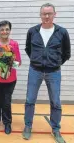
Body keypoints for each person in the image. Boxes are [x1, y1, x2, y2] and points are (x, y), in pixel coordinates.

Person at [22, 3, 71, 143]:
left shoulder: (62, 32)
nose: (47, 16)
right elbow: (28, 49)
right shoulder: (32, 31)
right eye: (44, 13)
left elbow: (67, 53)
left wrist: (55, 63)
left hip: (54, 72)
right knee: (30, 100)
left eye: (50, 13)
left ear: (55, 14)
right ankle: (27, 126)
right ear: (40, 15)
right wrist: (37, 60)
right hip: (35, 70)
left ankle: (55, 129)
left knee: (56, 102)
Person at [0, 20, 21, 134]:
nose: (4, 31)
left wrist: (10, 62)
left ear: (10, 31)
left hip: (10, 79)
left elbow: (18, 62)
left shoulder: (14, 44)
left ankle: (7, 122)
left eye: (7, 29)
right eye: (2, 29)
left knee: (6, 101)